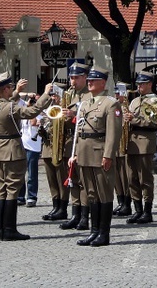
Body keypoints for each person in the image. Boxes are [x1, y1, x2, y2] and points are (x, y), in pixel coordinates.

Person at [0, 73, 52, 241]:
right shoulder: (9, 107)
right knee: (12, 190)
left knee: (1, 190)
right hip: (12, 151)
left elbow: (7, 104)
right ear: (4, 89)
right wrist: (46, 94)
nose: (12, 89)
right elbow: (31, 111)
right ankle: (9, 229)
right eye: (10, 87)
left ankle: (2, 229)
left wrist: (16, 92)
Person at [71, 66, 122, 247]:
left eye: (94, 80)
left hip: (100, 152)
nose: (90, 82)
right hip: (84, 153)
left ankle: (104, 233)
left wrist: (108, 155)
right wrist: (75, 153)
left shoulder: (111, 104)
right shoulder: (85, 103)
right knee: (91, 193)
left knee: (103, 192)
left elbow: (113, 133)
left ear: (103, 82)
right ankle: (94, 231)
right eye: (89, 80)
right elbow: (79, 130)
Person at [123, 70, 157, 225]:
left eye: (142, 84)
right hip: (132, 141)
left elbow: (155, 123)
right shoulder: (134, 101)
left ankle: (147, 211)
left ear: (150, 84)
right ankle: (137, 210)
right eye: (138, 84)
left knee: (145, 177)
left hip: (145, 140)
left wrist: (135, 119)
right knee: (132, 178)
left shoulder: (155, 101)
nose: (139, 87)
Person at [59, 62, 92, 231]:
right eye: (71, 78)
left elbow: (92, 119)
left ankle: (85, 217)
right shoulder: (69, 95)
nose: (73, 81)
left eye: (76, 78)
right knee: (72, 178)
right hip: (69, 141)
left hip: (83, 142)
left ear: (85, 78)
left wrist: (73, 115)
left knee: (83, 181)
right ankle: (75, 214)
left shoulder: (89, 96)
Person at [40, 83, 70, 221]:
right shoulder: (49, 108)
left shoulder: (65, 108)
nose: (53, 97)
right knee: (52, 179)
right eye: (51, 94)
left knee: (61, 177)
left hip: (61, 147)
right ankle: (55, 205)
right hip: (48, 147)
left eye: (55, 94)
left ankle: (62, 208)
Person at [19, 94, 42, 207]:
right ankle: (20, 196)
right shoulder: (25, 109)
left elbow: (33, 122)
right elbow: (16, 96)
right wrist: (28, 96)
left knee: (32, 173)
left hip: (34, 146)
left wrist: (31, 110)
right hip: (23, 144)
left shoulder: (41, 112)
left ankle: (32, 197)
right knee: (20, 172)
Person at [113, 82, 131, 219]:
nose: (116, 95)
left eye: (119, 93)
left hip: (125, 145)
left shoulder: (128, 107)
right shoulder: (114, 106)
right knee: (116, 176)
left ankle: (126, 202)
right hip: (116, 144)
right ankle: (120, 200)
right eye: (116, 93)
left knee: (125, 176)